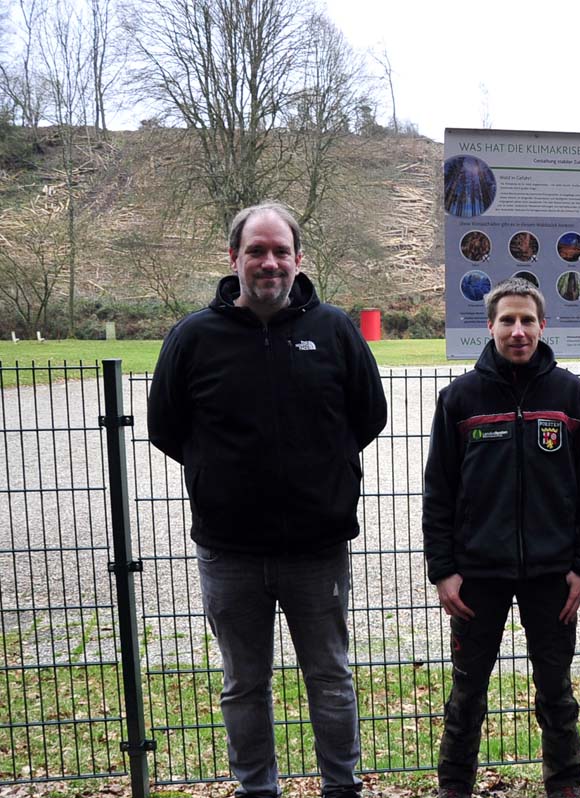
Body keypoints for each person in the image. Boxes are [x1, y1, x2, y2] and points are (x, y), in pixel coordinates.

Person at [148, 202, 388, 798]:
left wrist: (317, 468)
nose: (269, 262)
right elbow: (166, 428)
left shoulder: (333, 331)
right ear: (233, 259)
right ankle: (256, 788)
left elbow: (368, 415)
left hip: (317, 548)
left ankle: (342, 788)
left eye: (281, 250)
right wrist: (219, 474)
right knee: (243, 684)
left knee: (330, 680)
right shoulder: (193, 338)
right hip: (229, 552)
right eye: (256, 250)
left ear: (299, 260)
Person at [423, 278, 580, 798]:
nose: (518, 330)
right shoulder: (459, 399)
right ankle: (454, 787)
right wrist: (443, 570)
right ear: (490, 326)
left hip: (553, 576)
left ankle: (564, 786)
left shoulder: (573, 397)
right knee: (467, 693)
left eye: (528, 320)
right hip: (477, 576)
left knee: (556, 691)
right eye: (507, 320)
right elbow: (438, 491)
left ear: (543, 326)